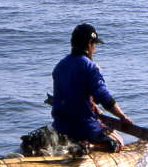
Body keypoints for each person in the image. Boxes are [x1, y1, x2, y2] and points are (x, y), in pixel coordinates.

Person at [51, 23, 133, 152]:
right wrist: (122, 117)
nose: (95, 48)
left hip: (60, 126)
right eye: (94, 44)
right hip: (84, 127)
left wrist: (95, 109)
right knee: (118, 142)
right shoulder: (89, 67)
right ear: (89, 44)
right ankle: (87, 146)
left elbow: (73, 94)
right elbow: (105, 98)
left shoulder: (60, 66)